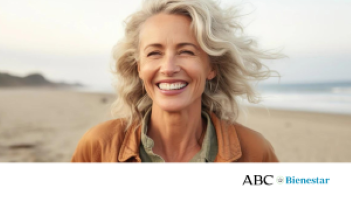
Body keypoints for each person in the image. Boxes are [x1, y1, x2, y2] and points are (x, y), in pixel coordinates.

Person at [71, 0, 279, 162]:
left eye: (186, 51)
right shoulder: (98, 146)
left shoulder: (255, 152)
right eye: (154, 53)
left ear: (212, 67)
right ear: (139, 68)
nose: (169, 68)